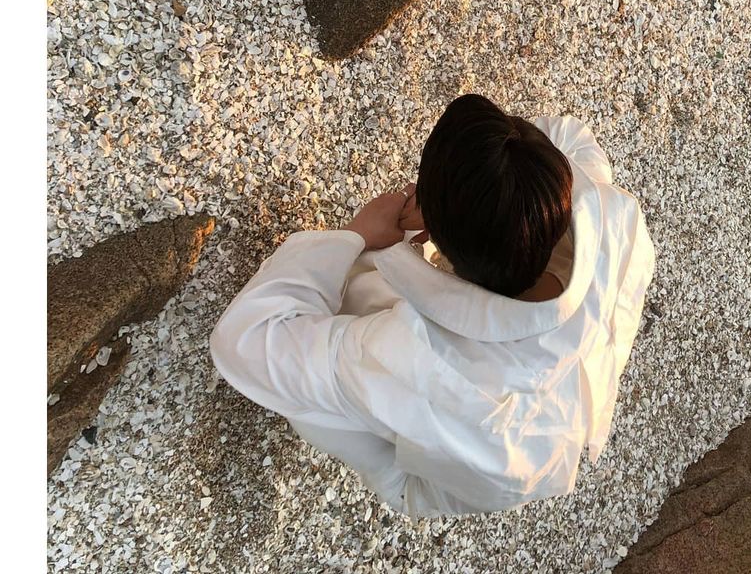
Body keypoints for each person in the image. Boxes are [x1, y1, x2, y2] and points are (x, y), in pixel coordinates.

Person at [209, 95, 656, 518]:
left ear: (447, 249)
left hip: (437, 474)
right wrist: (483, 198)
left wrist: (357, 235)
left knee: (359, 289)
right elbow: (567, 135)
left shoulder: (419, 357)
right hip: (554, 422)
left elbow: (244, 339)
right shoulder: (616, 217)